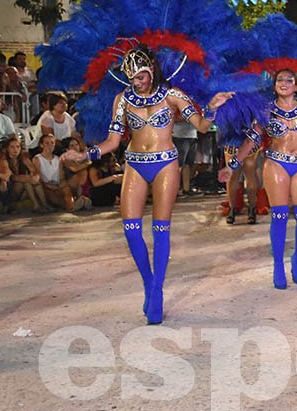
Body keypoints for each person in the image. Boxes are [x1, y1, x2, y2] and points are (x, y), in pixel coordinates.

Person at [62, 47, 231, 323]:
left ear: (151, 71)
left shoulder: (173, 96)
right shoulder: (122, 100)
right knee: (130, 230)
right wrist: (84, 155)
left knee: (160, 229)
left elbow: (201, 126)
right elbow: (113, 142)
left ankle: (157, 291)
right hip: (135, 163)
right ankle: (149, 283)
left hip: (165, 163)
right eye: (132, 78)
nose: (136, 83)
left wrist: (211, 108)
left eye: (140, 77)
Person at [227, 69, 297, 289]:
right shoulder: (267, 110)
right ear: (274, 85)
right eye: (279, 80)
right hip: (275, 163)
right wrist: (233, 164)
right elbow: (252, 139)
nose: (284, 83)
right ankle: (277, 265)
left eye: (289, 80)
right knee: (280, 215)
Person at [3, 136, 50, 213]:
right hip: (11, 191)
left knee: (31, 181)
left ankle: (44, 205)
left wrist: (35, 177)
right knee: (25, 181)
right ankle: (38, 205)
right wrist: (25, 178)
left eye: (18, 147)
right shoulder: (4, 160)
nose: (15, 149)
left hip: (24, 190)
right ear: (7, 149)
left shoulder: (23, 158)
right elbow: (11, 177)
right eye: (12, 147)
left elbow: (35, 171)